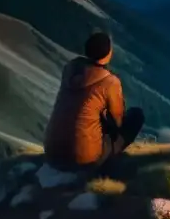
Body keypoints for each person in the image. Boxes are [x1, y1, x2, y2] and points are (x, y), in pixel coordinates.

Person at [43, 31, 145, 172]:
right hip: (83, 158)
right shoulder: (109, 82)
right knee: (135, 116)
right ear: (108, 53)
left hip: (52, 151)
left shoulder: (69, 69)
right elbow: (118, 121)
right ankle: (110, 163)